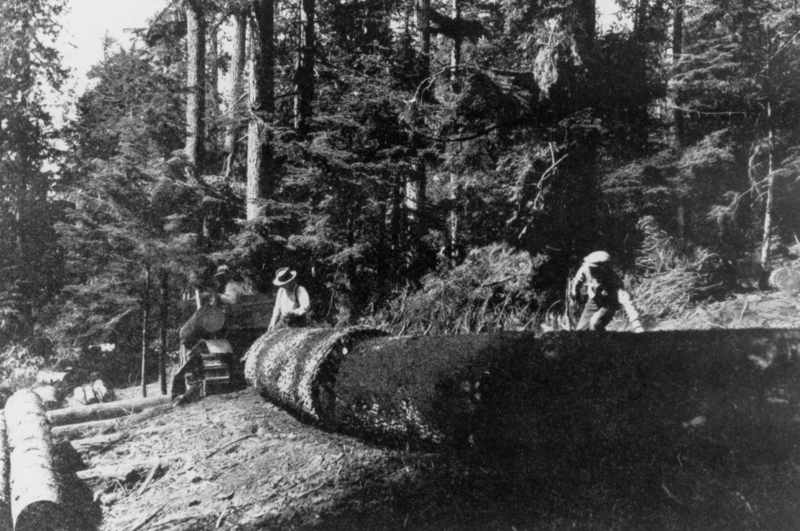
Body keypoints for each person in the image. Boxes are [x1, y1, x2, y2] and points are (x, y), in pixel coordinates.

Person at [570, 251, 644, 333]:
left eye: (595, 269)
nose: (592, 271)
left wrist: (636, 324)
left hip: (609, 304)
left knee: (594, 323)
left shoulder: (614, 280)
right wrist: (574, 293)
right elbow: (577, 282)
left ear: (603, 268)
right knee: (581, 330)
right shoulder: (586, 269)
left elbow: (626, 302)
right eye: (591, 268)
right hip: (594, 301)